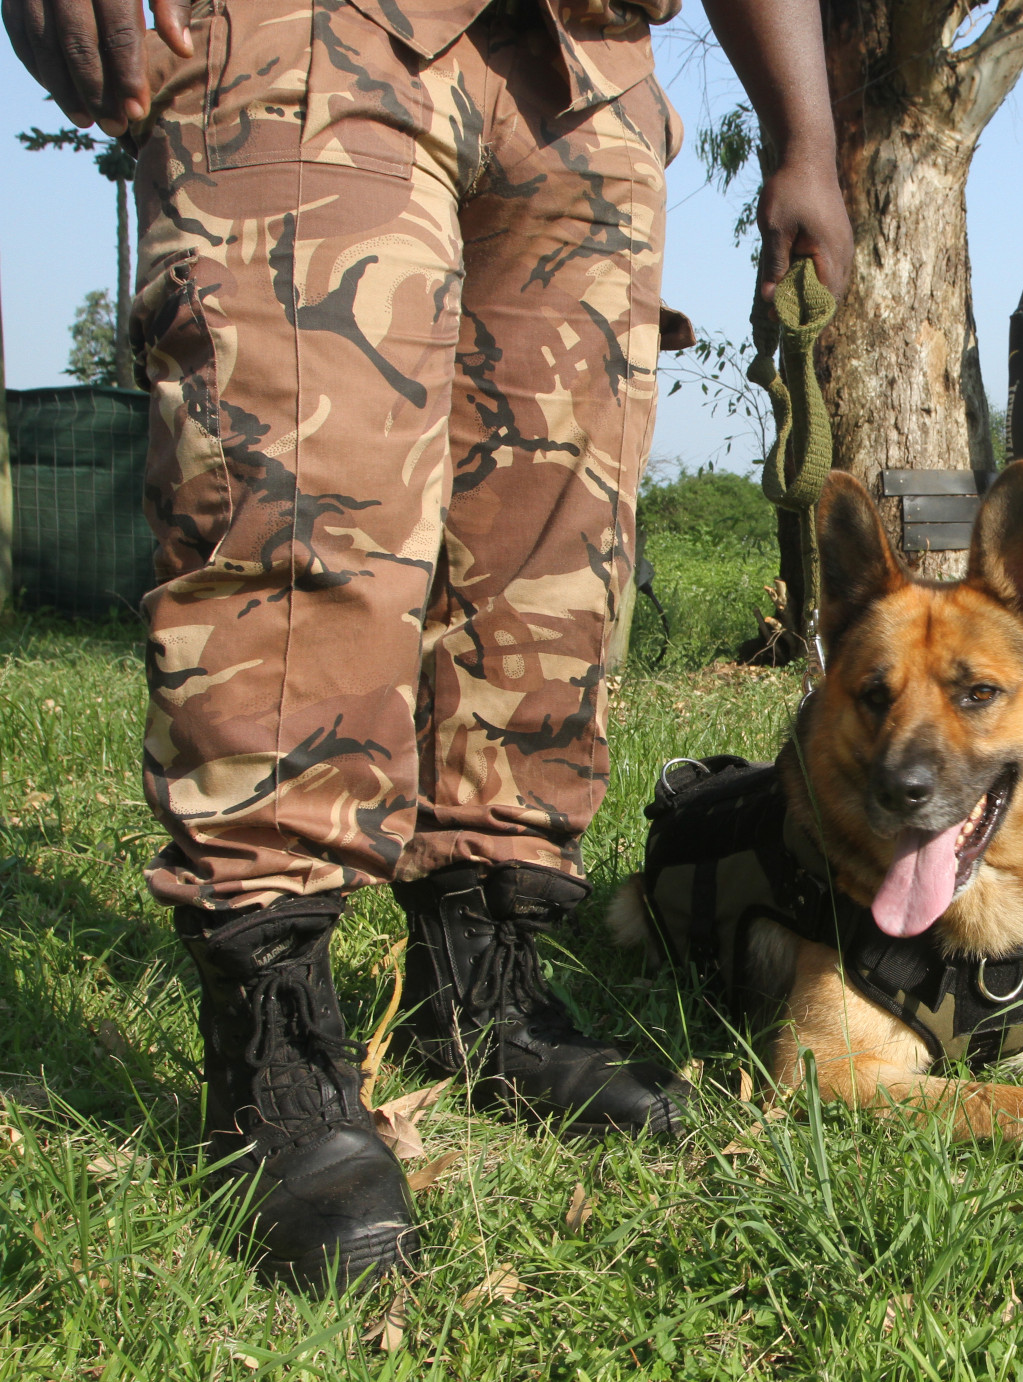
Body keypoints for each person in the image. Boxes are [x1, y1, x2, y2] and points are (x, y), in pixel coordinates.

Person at [3, 0, 853, 1292]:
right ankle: (276, 1049)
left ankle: (481, 989)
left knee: (551, 543)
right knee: (303, 482)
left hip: (582, 61)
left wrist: (803, 139)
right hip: (310, 26)